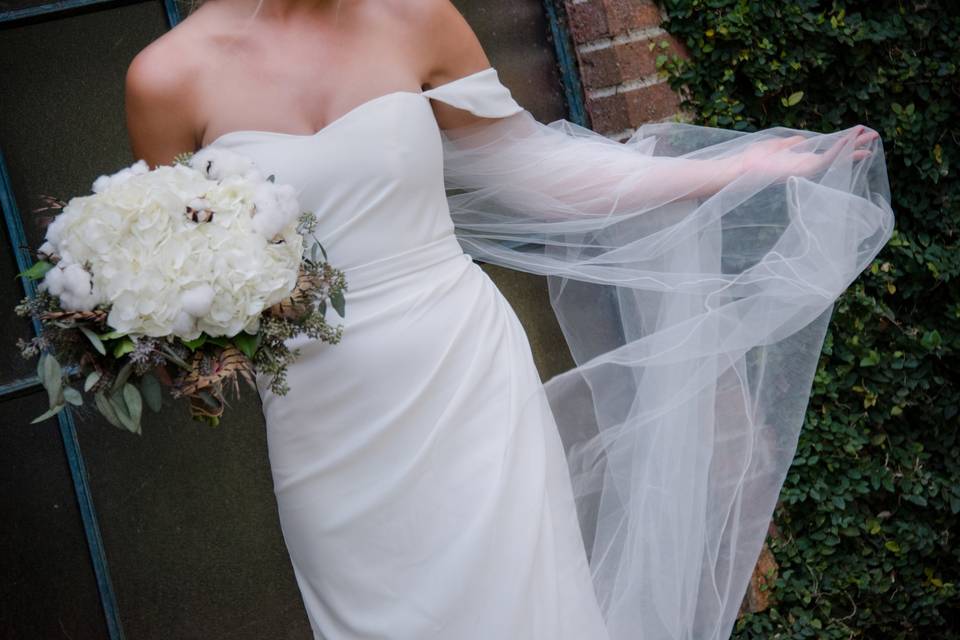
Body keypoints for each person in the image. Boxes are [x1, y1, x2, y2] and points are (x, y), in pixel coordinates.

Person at [124, 1, 894, 638]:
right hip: (322, 415)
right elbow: (183, 276)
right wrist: (128, 321)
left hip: (464, 371)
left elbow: (534, 169)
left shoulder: (414, 15)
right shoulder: (166, 79)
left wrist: (728, 172)